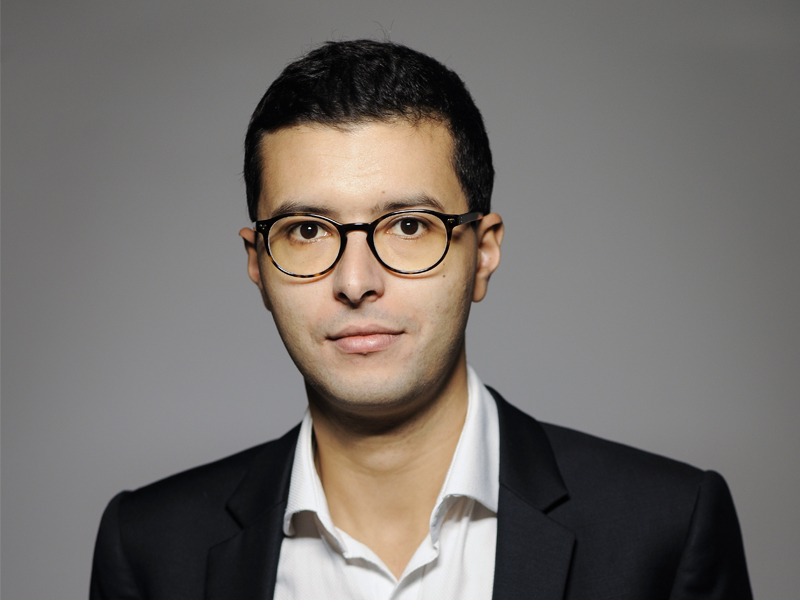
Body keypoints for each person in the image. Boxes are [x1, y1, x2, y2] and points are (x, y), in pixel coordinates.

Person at [90, 40, 752, 600]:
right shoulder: (150, 549)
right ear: (257, 264)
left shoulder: (666, 529)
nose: (356, 282)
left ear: (483, 253)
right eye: (308, 230)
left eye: (408, 226)